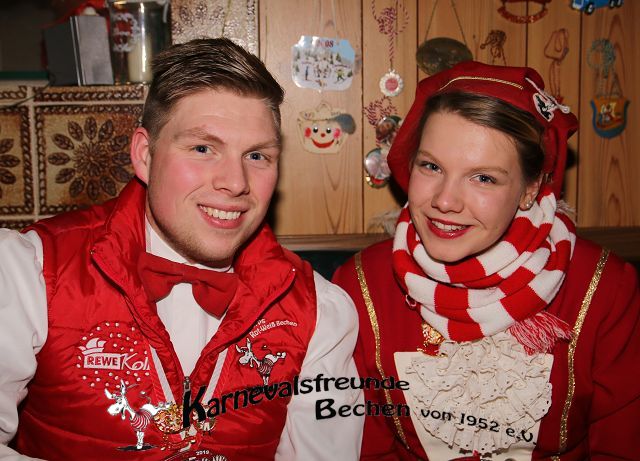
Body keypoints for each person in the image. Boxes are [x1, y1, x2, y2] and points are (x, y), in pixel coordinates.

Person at [0, 38, 363, 460]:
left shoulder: (319, 310)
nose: (236, 182)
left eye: (257, 156)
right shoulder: (31, 271)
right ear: (145, 156)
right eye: (203, 148)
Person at [333, 61, 640, 459]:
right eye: (431, 166)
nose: (445, 201)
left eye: (483, 178)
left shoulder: (604, 288)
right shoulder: (360, 285)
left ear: (531, 188)